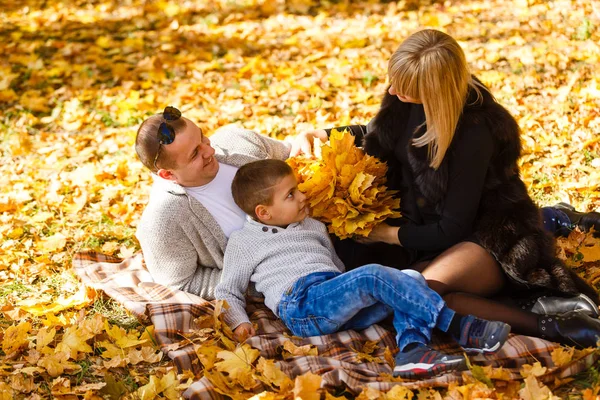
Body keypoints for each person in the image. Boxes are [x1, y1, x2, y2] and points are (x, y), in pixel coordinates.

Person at [292, 29, 600, 348]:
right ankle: (546, 239)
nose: (393, 91)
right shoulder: (405, 96)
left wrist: (385, 234)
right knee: (405, 293)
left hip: (489, 236)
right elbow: (376, 132)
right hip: (431, 234)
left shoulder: (475, 134)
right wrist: (319, 133)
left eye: (405, 89)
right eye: (393, 81)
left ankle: (556, 325)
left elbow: (452, 228)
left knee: (412, 293)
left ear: (434, 94)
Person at [214, 159, 510, 379]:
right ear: (263, 212)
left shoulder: (313, 226)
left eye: (298, 188)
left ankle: (412, 352)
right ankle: (459, 325)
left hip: (334, 298)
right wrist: (239, 321)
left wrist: (359, 288)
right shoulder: (244, 241)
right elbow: (228, 288)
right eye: (290, 195)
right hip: (301, 304)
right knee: (372, 276)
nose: (303, 196)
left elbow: (337, 268)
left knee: (411, 279)